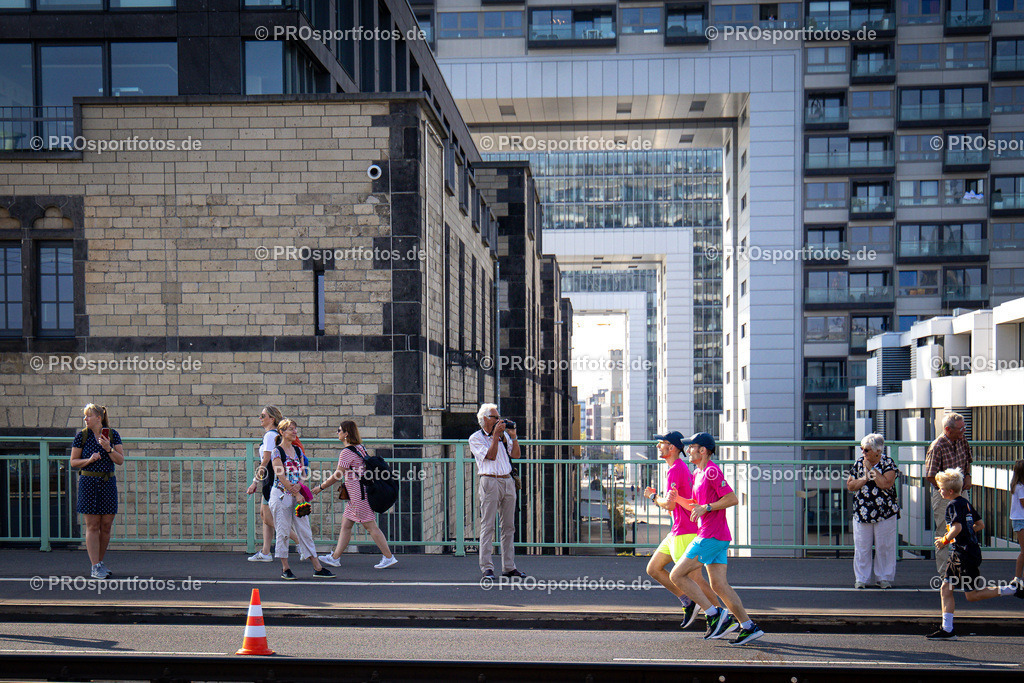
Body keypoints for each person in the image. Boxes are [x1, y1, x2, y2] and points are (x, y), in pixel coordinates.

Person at [668, 432, 764, 645]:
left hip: (711, 536)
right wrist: (678, 500)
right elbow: (696, 504)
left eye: (691, 447)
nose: (688, 450)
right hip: (715, 536)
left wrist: (708, 507)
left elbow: (732, 498)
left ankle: (713, 614)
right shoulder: (698, 473)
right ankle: (748, 627)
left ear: (703, 450)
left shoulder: (711, 471)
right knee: (720, 586)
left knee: (676, 575)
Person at [926, 467, 1024, 640]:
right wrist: (965, 533)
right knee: (946, 588)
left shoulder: (952, 505)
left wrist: (944, 540)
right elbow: (980, 524)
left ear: (949, 491)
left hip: (963, 555)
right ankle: (947, 629)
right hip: (963, 552)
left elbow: (957, 527)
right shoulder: (965, 503)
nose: (939, 490)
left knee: (972, 595)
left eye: (940, 488)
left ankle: (1011, 588)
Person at [645, 431, 723, 629]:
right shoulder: (675, 467)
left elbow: (670, 505)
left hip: (685, 530)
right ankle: (689, 601)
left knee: (694, 578)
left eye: (661, 443)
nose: (657, 446)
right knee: (654, 569)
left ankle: (720, 616)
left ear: (671, 448)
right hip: (676, 529)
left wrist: (653, 497)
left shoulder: (676, 469)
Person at [315, 420, 397, 570]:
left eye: (339, 430)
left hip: (360, 495)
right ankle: (335, 558)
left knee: (370, 526)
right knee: (346, 525)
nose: (337, 432)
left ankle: (388, 557)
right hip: (357, 495)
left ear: (346, 433)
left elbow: (337, 475)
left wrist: (321, 487)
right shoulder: (359, 448)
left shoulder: (346, 452)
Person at [268, 418, 334, 580]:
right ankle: (285, 567)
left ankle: (317, 567)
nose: (294, 432)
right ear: (282, 432)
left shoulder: (297, 451)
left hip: (296, 495)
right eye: (291, 429)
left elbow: (304, 470)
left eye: (295, 429)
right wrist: (296, 491)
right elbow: (280, 475)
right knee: (283, 530)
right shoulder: (277, 451)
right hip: (282, 495)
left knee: (304, 530)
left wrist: (300, 484)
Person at [469, 403, 525, 579]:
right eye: (495, 417)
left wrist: (513, 437)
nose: (499, 421)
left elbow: (516, 455)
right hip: (489, 481)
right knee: (488, 525)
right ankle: (487, 567)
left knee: (509, 527)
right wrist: (494, 436)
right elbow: (490, 456)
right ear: (485, 419)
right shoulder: (475, 438)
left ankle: (509, 566)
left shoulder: (503, 437)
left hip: (507, 480)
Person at [69, 404, 125, 579]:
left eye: (88, 416)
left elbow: (120, 460)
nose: (85, 419)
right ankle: (95, 566)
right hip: (89, 482)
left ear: (98, 418)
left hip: (107, 482)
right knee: (93, 525)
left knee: (106, 525)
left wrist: (108, 448)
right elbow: (73, 462)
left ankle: (99, 563)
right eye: (85, 416)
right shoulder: (81, 436)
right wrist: (89, 459)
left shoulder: (113, 435)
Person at [245, 405, 300, 562]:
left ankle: (300, 542)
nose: (260, 418)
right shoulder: (274, 435)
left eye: (263, 416)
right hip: (271, 478)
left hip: (271, 479)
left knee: (268, 517)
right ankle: (266, 551)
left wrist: (255, 481)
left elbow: (266, 460)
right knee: (265, 516)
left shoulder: (270, 435)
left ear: (272, 419)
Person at [846, 433, 900, 589]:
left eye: (867, 450)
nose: (863, 452)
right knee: (862, 546)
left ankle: (884, 577)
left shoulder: (888, 463)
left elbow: (886, 483)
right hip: (863, 511)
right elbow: (850, 486)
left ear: (878, 451)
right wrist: (864, 478)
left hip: (884, 511)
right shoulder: (858, 464)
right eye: (862, 449)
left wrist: (871, 470)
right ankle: (861, 579)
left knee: (884, 546)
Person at [924, 412, 973, 572]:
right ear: (947, 429)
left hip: (961, 493)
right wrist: (945, 489)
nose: (963, 431)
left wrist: (968, 476)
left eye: (963, 427)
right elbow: (930, 475)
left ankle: (963, 570)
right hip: (943, 495)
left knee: (965, 529)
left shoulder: (962, 440)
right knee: (944, 533)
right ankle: (945, 574)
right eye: (960, 428)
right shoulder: (937, 446)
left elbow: (968, 461)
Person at [1010, 459, 1024, 586]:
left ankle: (1019, 578)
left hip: (1019, 520)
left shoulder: (1016, 486)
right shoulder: (1021, 487)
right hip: (1021, 520)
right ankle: (1017, 578)